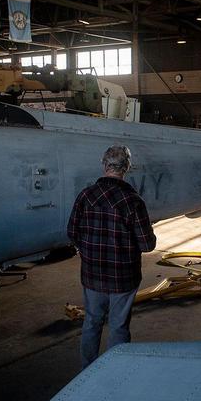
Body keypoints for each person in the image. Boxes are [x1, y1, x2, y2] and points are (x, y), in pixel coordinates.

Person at [67, 145, 157, 369]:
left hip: (92, 274)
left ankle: (87, 370)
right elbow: (147, 245)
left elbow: (72, 232)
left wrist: (87, 250)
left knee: (91, 322)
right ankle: (115, 371)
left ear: (104, 165)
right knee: (118, 326)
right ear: (126, 168)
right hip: (123, 278)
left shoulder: (85, 196)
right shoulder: (133, 201)